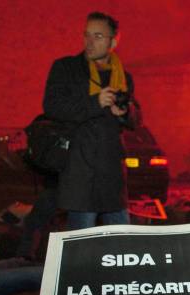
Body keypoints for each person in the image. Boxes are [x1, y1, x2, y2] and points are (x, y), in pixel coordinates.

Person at [43, 12, 134, 230]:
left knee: (122, 242)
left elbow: (135, 118)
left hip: (111, 170)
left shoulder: (123, 76)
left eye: (98, 36)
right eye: (87, 35)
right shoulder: (66, 68)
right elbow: (52, 106)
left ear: (114, 41)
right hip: (80, 169)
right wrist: (96, 102)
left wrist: (124, 113)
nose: (90, 42)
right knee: (82, 246)